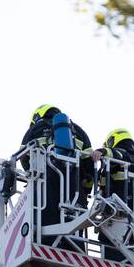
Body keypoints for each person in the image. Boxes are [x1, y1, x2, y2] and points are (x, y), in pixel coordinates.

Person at [19, 105, 93, 245]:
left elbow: (23, 156)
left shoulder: (35, 129)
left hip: (46, 187)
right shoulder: (78, 130)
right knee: (75, 231)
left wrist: (31, 177)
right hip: (75, 190)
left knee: (44, 229)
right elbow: (89, 165)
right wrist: (85, 190)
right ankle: (75, 249)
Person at [91, 128, 134, 261]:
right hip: (128, 216)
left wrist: (103, 151)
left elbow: (117, 154)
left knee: (112, 254)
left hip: (119, 214)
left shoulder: (127, 157)